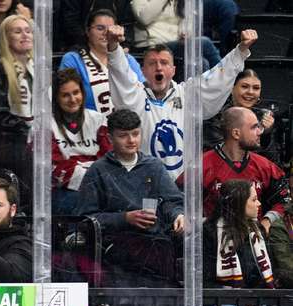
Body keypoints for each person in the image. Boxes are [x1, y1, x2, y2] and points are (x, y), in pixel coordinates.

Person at [105, 24, 258, 180]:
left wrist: (240, 51)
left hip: (184, 188)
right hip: (145, 186)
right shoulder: (136, 96)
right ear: (143, 71)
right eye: (152, 63)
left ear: (173, 70)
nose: (159, 68)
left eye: (164, 63)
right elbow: (121, 73)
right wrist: (113, 46)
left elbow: (217, 77)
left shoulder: (188, 94)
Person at [76, 108, 184, 287]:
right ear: (110, 138)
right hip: (115, 252)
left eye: (135, 134)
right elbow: (85, 219)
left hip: (155, 248)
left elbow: (172, 201)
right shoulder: (98, 170)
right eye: (123, 135)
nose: (131, 140)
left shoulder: (154, 166)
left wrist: (178, 215)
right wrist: (124, 218)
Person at [200, 107, 291, 231]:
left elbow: (285, 200)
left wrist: (267, 221)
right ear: (236, 133)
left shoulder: (265, 166)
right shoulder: (202, 165)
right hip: (213, 243)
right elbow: (180, 202)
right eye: (254, 127)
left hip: (255, 242)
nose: (260, 132)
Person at [204, 179, 275, 306]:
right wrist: (240, 300)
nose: (259, 204)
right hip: (217, 303)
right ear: (239, 203)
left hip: (252, 302)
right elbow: (204, 283)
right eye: (254, 200)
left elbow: (263, 277)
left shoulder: (257, 232)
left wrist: (253, 301)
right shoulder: (209, 232)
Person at [0, 14, 34, 196]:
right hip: (12, 140)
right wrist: (27, 130)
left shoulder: (40, 69)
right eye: (18, 31)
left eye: (28, 31)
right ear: (6, 37)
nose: (25, 35)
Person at [58, 9, 144, 115]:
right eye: (100, 28)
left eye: (110, 29)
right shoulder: (73, 59)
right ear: (87, 31)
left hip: (125, 127)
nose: (106, 33)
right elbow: (67, 95)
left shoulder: (128, 60)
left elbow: (142, 92)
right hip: (88, 124)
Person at [51, 68, 112, 214]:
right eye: (65, 95)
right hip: (64, 192)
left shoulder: (99, 120)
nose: (73, 99)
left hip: (100, 188)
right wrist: (94, 179)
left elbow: (110, 157)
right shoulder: (44, 125)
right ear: (56, 98)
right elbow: (53, 169)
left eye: (76, 93)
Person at [202, 70, 282, 166]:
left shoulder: (264, 117)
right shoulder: (215, 117)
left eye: (256, 88)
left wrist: (266, 135)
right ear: (232, 88)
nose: (250, 92)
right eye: (244, 87)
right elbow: (227, 157)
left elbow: (274, 165)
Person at [130, 0, 221, 69]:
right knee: (205, 42)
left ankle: (217, 89)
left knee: (202, 62)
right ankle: (227, 79)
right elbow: (144, 17)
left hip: (177, 44)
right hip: (153, 44)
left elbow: (186, 20)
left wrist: (186, 31)